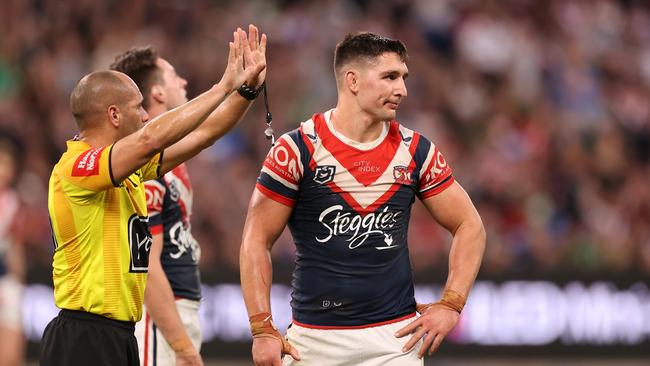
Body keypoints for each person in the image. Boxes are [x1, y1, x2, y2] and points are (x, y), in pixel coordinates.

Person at [239, 32, 486, 366]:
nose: (402, 89)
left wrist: (451, 304)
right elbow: (256, 239)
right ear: (352, 80)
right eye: (389, 77)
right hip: (313, 343)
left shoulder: (416, 152)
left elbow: (469, 225)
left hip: (396, 341)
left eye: (403, 77)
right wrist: (262, 328)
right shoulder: (297, 150)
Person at [41, 26, 266, 366]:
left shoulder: (131, 171)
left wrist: (246, 90)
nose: (145, 116)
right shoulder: (75, 167)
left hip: (121, 334)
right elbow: (149, 140)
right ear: (113, 115)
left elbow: (204, 135)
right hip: (83, 334)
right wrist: (223, 86)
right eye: (137, 108)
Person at [109, 24, 266, 366]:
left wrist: (247, 91)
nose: (182, 82)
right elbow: (146, 267)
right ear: (159, 94)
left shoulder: (167, 156)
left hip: (174, 313)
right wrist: (181, 344)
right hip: (156, 319)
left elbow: (208, 131)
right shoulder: (142, 165)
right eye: (174, 76)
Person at [0, 131, 26, 366]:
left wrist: (15, 285)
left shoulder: (13, 202)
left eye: (8, 164)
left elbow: (16, 251)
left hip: (5, 280)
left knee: (10, 356)